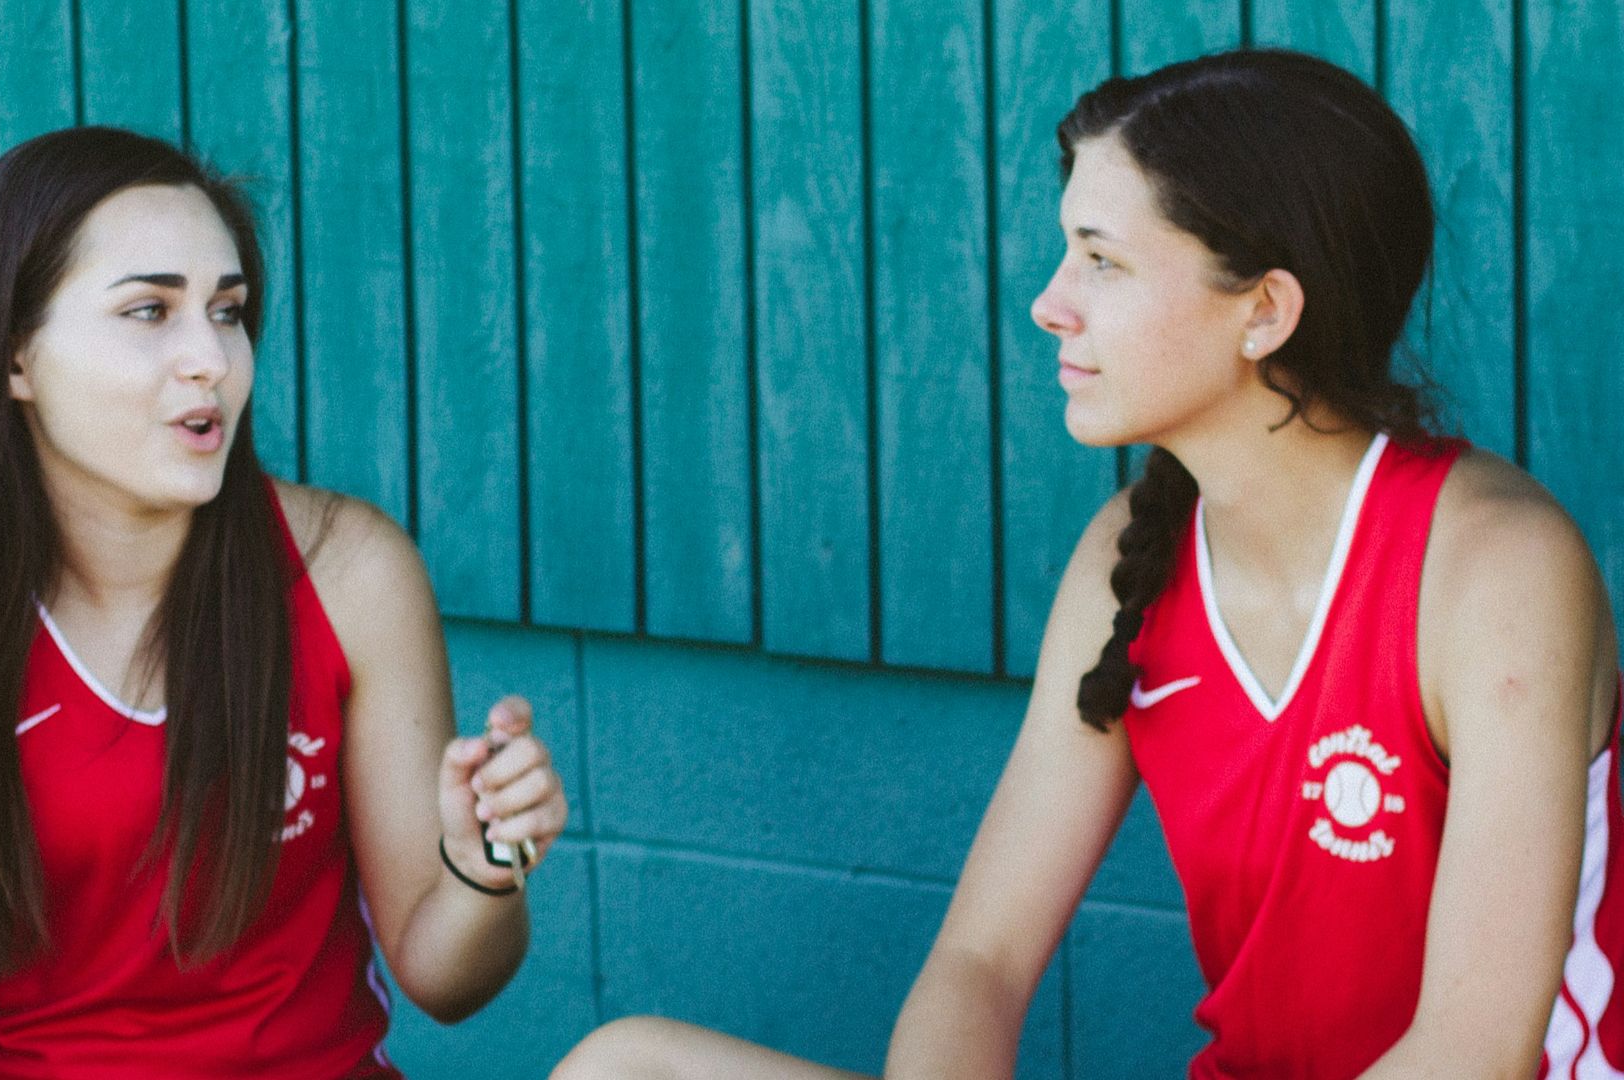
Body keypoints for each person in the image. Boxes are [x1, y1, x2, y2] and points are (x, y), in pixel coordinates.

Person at [552, 47, 1623, 1079]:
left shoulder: (1498, 573)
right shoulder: (1130, 554)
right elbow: (980, 963)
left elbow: (1472, 1054)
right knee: (625, 1067)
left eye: (1102, 261)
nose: (1049, 303)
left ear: (1265, 311)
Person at [0, 126, 569, 1079]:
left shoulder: (351, 573)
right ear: (14, 357)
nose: (213, 359)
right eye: (151, 310)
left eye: (228, 312)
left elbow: (449, 981)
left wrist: (485, 867)